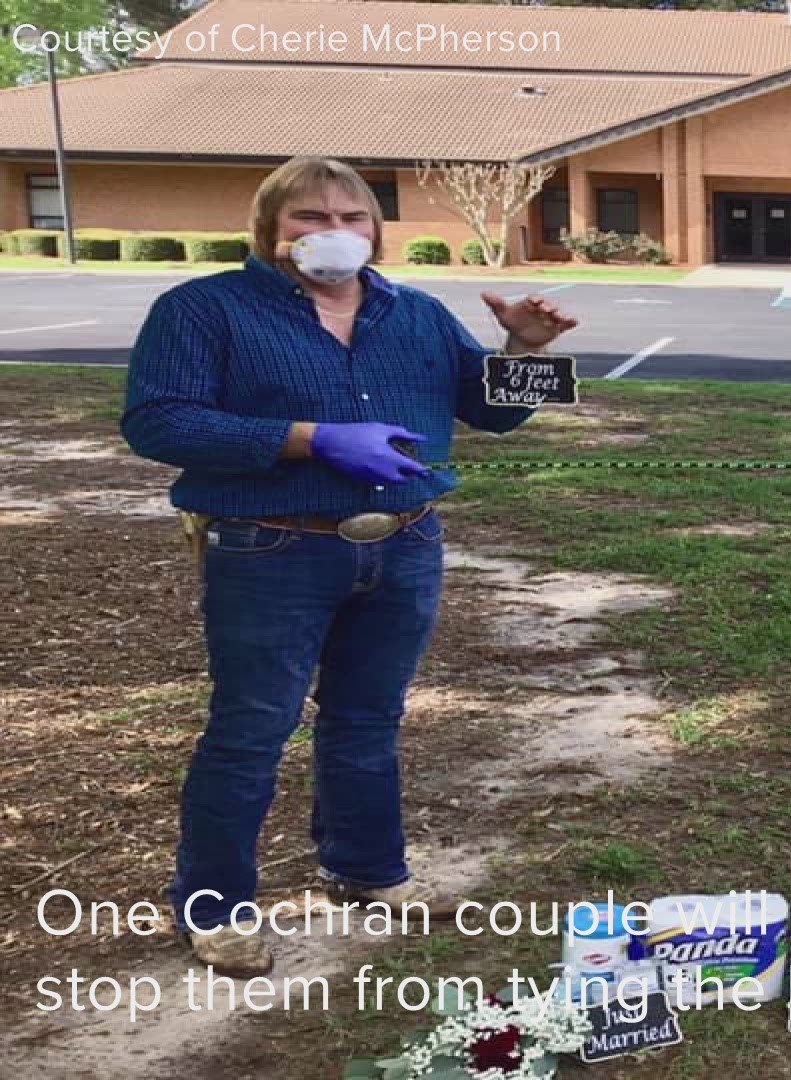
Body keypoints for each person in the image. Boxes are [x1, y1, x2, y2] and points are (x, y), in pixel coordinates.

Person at [121, 157, 579, 977]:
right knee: (252, 728)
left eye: (351, 217)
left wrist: (522, 347)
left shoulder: (418, 314)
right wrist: (306, 438)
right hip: (270, 547)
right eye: (307, 218)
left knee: (369, 718)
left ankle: (365, 869)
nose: (332, 232)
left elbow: (494, 417)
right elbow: (159, 423)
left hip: (403, 544)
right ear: (269, 232)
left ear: (374, 229)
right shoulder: (204, 309)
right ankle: (214, 906)